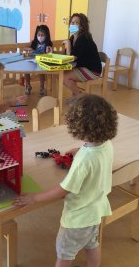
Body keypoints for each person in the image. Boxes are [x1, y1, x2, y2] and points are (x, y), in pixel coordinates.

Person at [14, 94, 118, 267]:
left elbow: (64, 189)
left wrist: (35, 198)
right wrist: (80, 149)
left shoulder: (84, 162)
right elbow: (94, 153)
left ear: (79, 128)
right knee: (92, 243)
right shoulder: (106, 144)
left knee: (65, 252)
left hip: (78, 218)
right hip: (96, 210)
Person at [62, 13, 102, 103]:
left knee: (64, 77)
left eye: (76, 23)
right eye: (72, 22)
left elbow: (71, 58)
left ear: (82, 26)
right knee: (62, 74)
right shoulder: (73, 38)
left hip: (92, 71)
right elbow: (67, 55)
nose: (73, 25)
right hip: (82, 67)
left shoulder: (83, 39)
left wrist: (68, 44)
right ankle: (76, 95)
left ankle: (79, 95)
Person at [24, 25, 53, 96]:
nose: (40, 37)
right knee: (26, 70)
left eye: (42, 35)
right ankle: (28, 86)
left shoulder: (49, 44)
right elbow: (26, 49)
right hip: (32, 61)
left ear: (46, 36)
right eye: (38, 35)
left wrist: (49, 51)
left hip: (42, 62)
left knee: (41, 71)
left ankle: (42, 88)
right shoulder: (33, 42)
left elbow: (50, 54)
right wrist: (29, 50)